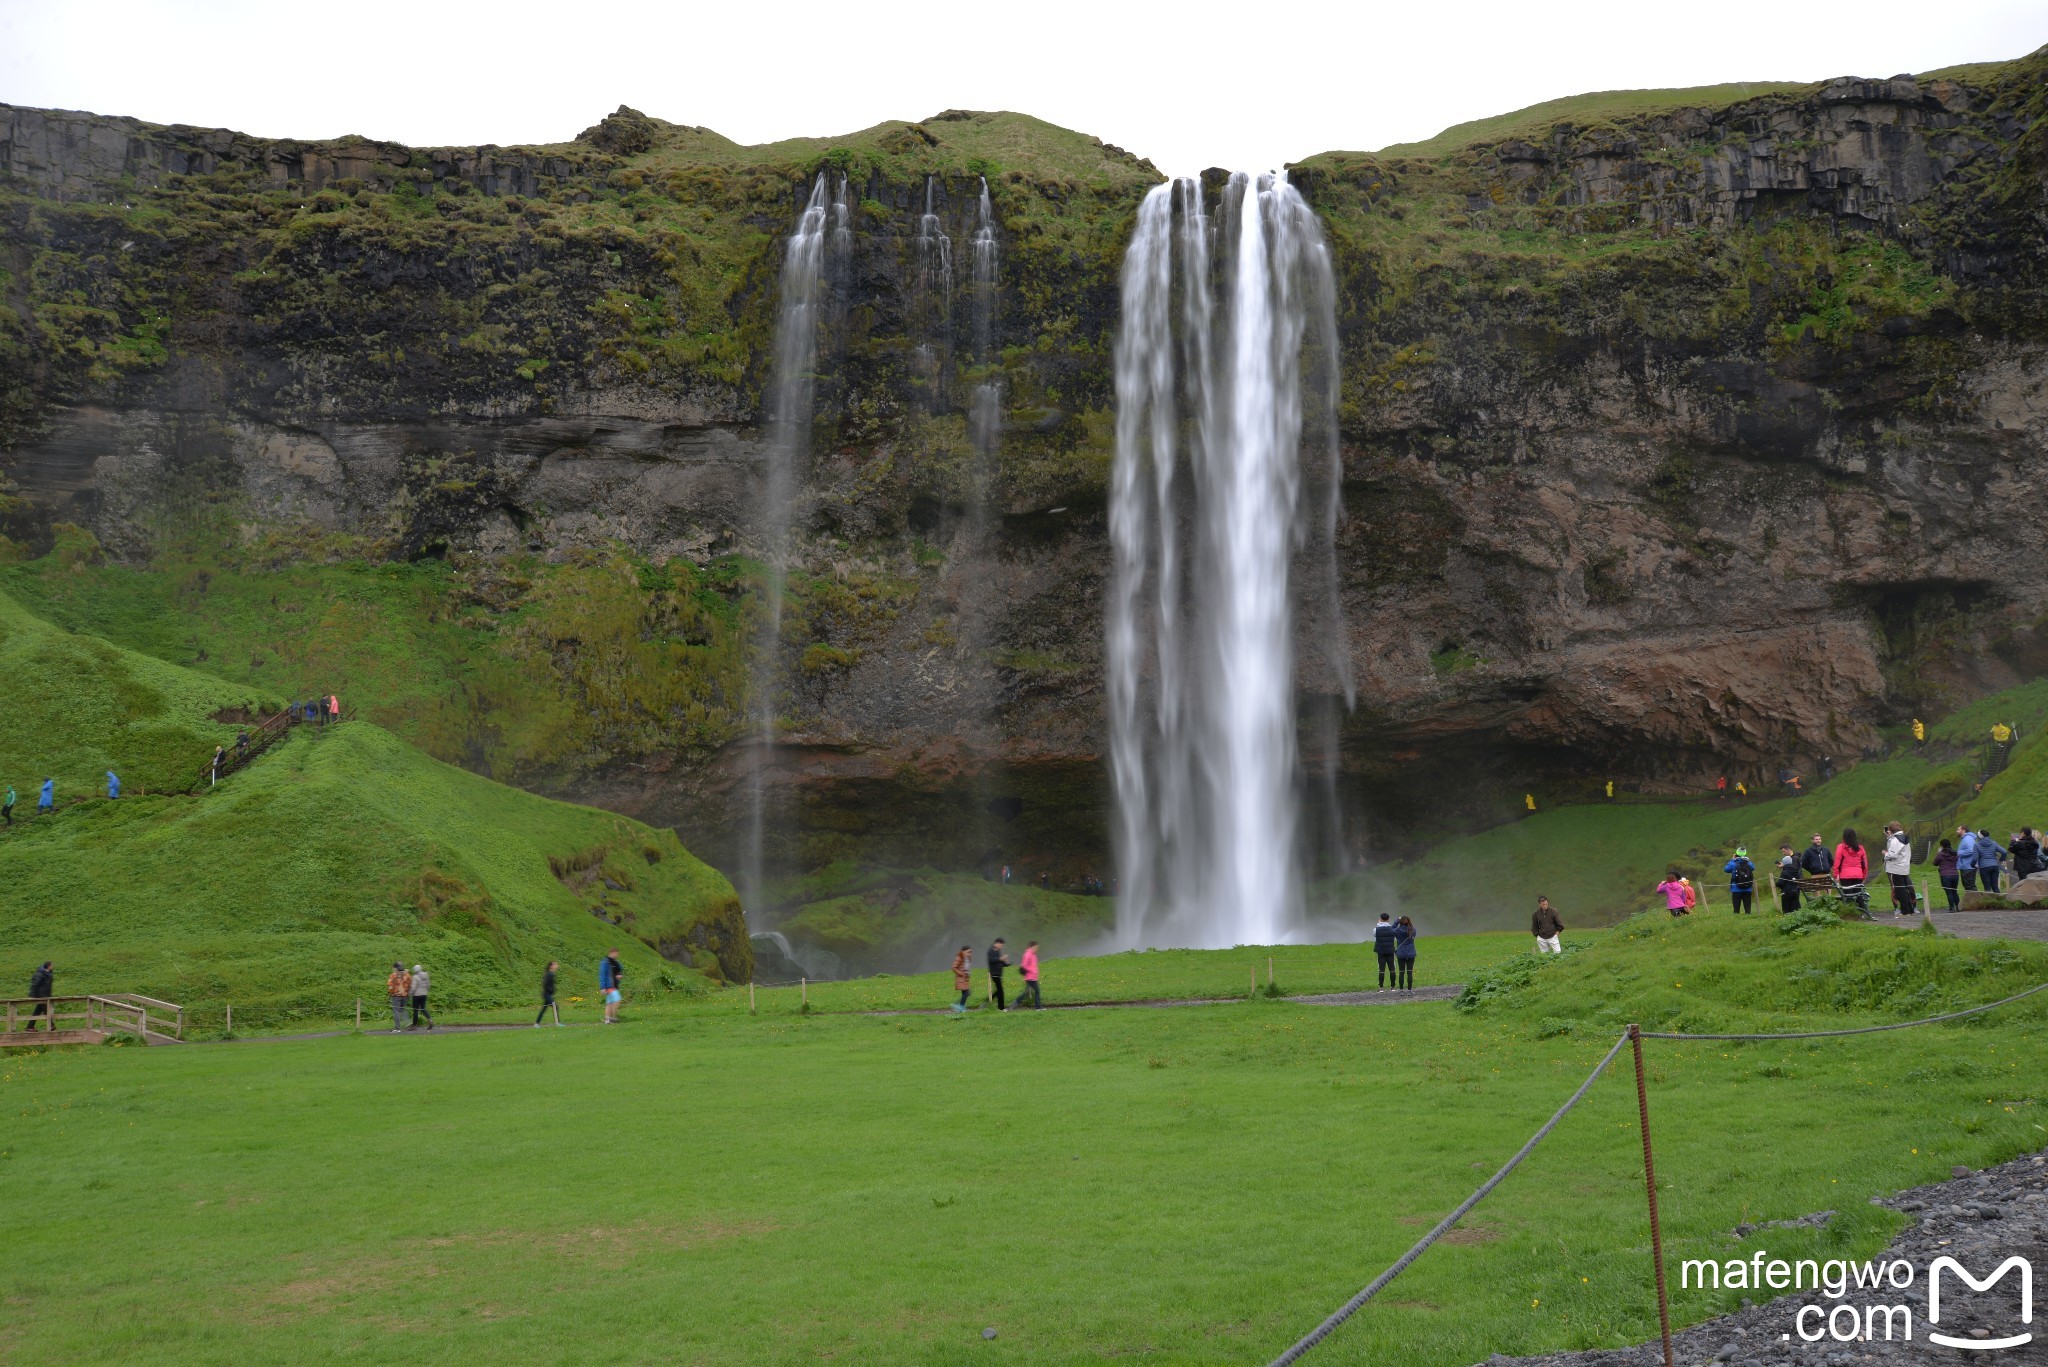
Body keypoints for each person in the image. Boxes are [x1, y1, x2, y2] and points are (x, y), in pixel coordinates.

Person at [1882, 823, 1915, 917]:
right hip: (1904, 867)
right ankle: (1910, 909)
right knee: (1905, 889)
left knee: (1900, 891)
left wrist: (1885, 854)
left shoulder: (1895, 840)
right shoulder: (1904, 838)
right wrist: (1889, 838)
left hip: (1896, 868)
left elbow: (1892, 854)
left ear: (1891, 830)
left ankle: (1905, 911)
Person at [1834, 829, 1870, 914]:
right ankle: (1864, 911)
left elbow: (1837, 863)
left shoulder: (1841, 847)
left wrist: (1836, 875)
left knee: (1848, 895)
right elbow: (1864, 863)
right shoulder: (1860, 848)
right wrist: (1864, 875)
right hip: (1858, 875)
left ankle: (1851, 912)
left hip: (1845, 876)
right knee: (1858, 894)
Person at [1723, 848, 1756, 914]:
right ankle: (1748, 916)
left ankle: (1736, 916)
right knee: (1747, 909)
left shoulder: (1733, 864)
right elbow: (1753, 868)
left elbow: (1726, 869)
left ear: (1736, 855)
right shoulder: (1749, 863)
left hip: (1736, 888)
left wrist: (1732, 860)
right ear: (1745, 854)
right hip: (1748, 888)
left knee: (1736, 909)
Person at [1975, 828, 2008, 893]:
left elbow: (1974, 858)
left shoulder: (1977, 845)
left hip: (1984, 867)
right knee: (1995, 887)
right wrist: (2001, 859)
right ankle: (1999, 901)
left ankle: (1989, 902)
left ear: (1980, 836)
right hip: (1994, 866)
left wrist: (1973, 865)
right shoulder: (1994, 843)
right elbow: (2004, 852)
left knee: (1987, 888)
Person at [1934, 838, 1961, 912]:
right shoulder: (1954, 853)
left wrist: (1939, 852)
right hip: (1955, 874)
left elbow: (1935, 863)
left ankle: (1951, 907)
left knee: (1949, 892)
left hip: (1945, 874)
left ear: (1942, 846)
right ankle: (1958, 907)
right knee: (1954, 891)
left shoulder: (1940, 854)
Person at [1372, 913, 1399, 986]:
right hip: (1390, 950)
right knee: (1392, 969)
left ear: (1380, 919)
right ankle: (1393, 986)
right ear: (1388, 919)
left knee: (1381, 969)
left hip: (1380, 951)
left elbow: (1374, 935)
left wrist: (1378, 924)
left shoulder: (1376, 929)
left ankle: (1381, 987)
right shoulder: (1393, 929)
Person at [26, 960, 53, 1031]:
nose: (53, 966)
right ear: (48, 966)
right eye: (52, 965)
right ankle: (51, 1025)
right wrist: (33, 995)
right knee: (46, 1010)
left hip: (45, 995)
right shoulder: (40, 974)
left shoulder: (48, 973)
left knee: (37, 1011)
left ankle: (30, 1026)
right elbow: (35, 985)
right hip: (41, 996)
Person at [1774, 845, 1802, 914]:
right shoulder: (1795, 858)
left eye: (1784, 851)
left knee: (1788, 907)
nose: (1783, 853)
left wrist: (1776, 884)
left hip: (1788, 889)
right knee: (1795, 905)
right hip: (1796, 886)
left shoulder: (1794, 859)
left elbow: (1790, 872)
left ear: (1789, 850)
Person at [1393, 915, 1417, 990]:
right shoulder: (1413, 930)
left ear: (1400, 922)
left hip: (1401, 953)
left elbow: (1391, 929)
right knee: (1409, 972)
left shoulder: (1397, 930)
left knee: (1401, 972)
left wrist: (1396, 921)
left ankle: (1401, 990)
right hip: (1411, 953)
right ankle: (1409, 990)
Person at [986, 938, 1011, 1011]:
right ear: (997, 943)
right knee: (1000, 991)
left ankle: (988, 1000)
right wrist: (1001, 959)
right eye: (1001, 945)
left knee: (998, 990)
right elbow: (992, 960)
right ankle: (1001, 1008)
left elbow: (999, 961)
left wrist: (1006, 964)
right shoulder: (991, 950)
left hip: (998, 973)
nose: (1002, 947)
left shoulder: (997, 951)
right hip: (994, 973)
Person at [599, 949, 624, 1023]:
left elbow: (619, 971)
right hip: (609, 986)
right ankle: (613, 1017)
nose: (617, 955)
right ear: (611, 953)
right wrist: (602, 987)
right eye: (616, 954)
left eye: (617, 954)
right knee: (617, 999)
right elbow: (602, 975)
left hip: (614, 986)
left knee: (609, 1003)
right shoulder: (605, 963)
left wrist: (620, 975)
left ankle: (607, 1020)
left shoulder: (616, 963)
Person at [385, 961, 410, 1030]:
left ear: (395, 968)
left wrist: (390, 993)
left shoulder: (393, 975)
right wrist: (407, 992)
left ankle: (397, 1028)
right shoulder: (406, 975)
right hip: (404, 995)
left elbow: (390, 986)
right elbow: (409, 983)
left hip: (396, 996)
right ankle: (407, 1022)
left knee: (396, 1011)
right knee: (402, 1009)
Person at [535, 960, 560, 1027]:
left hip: (548, 994)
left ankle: (536, 1024)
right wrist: (551, 989)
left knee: (544, 1009)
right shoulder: (549, 974)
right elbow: (545, 984)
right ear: (551, 966)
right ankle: (557, 1023)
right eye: (555, 964)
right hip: (547, 994)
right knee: (555, 1006)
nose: (557, 965)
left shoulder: (552, 973)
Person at [409, 963, 433, 1029]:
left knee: (415, 1010)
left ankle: (414, 1025)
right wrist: (425, 991)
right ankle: (430, 1019)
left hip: (416, 995)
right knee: (423, 1008)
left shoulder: (415, 977)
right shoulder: (426, 975)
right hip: (424, 994)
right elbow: (428, 985)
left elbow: (413, 987)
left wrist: (410, 993)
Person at [950, 945, 972, 1013]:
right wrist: (961, 973)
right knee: (966, 993)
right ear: (963, 951)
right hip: (961, 978)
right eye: (968, 952)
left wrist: (967, 974)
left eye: (971, 952)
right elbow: (954, 967)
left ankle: (959, 1006)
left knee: (967, 993)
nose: (970, 953)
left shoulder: (967, 958)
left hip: (965, 979)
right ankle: (960, 1006)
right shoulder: (959, 957)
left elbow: (966, 968)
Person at [1019, 941, 1042, 1009]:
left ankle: (1016, 1002)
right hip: (1030, 977)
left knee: (1027, 993)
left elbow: (1033, 965)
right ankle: (1038, 1007)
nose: (1037, 949)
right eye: (1036, 947)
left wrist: (1035, 972)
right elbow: (1024, 966)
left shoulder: (1034, 954)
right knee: (1037, 990)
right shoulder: (1027, 954)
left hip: (1033, 977)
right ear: (1032, 947)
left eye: (1038, 948)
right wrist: (1032, 970)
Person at [1957, 827, 1980, 891]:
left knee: (1970, 885)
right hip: (1966, 866)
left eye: (1958, 829)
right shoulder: (1965, 839)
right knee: (1967, 886)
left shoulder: (1968, 839)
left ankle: (1975, 900)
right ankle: (1971, 900)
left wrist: (1958, 853)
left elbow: (1970, 850)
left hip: (1968, 866)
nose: (1957, 831)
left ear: (1963, 830)